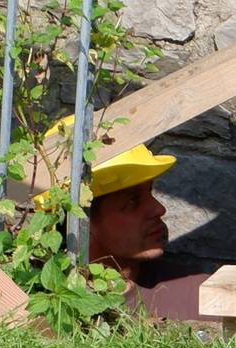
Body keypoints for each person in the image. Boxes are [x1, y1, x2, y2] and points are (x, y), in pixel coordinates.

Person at [30, 130, 212, 323]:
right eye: (132, 201)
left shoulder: (195, 292)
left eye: (150, 191)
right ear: (83, 220)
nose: (159, 208)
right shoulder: (46, 308)